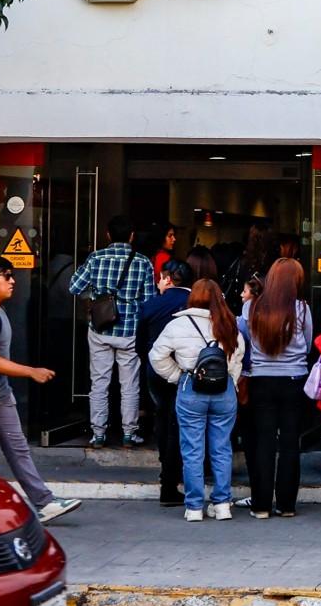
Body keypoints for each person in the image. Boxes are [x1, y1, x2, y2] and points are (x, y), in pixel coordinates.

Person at [0, 256, 81, 524]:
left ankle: (44, 502)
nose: (12, 281)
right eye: (5, 275)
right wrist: (31, 371)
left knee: (18, 448)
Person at [149, 278, 245, 522]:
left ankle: (193, 507)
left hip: (191, 389)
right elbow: (238, 355)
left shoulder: (178, 324)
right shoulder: (227, 322)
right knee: (222, 448)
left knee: (192, 450)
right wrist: (231, 380)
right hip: (224, 392)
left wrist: (177, 376)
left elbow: (156, 356)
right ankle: (222, 504)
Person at [68, 216, 153, 448]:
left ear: (108, 235)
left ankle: (98, 434)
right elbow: (148, 300)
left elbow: (74, 286)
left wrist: (95, 298)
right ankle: (129, 433)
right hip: (129, 330)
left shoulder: (96, 258)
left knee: (99, 382)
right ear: (132, 235)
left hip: (100, 328)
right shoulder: (143, 262)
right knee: (130, 384)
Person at [241, 257, 314, 518]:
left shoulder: (252, 307)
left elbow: (246, 342)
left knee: (264, 443)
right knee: (290, 443)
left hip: (261, 380)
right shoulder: (302, 309)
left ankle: (261, 505)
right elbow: (307, 342)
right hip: (294, 380)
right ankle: (286, 505)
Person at [139, 262, 194, 506]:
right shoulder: (197, 303)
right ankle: (181, 477)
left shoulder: (151, 305)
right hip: (190, 372)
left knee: (164, 420)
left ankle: (168, 479)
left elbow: (140, 344)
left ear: (167, 279)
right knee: (186, 423)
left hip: (158, 371)